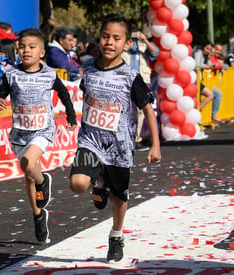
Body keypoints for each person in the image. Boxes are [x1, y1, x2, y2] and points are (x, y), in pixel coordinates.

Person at [69, 14, 161, 263]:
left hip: (119, 148)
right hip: (90, 140)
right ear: (99, 39)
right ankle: (98, 182)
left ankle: (116, 235)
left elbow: (147, 110)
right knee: (77, 183)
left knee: (118, 197)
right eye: (105, 36)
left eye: (116, 38)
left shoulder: (130, 76)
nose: (110, 42)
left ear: (126, 44)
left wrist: (155, 144)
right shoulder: (88, 68)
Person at [0, 28, 77, 242]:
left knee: (29, 164)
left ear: (41, 53)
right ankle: (38, 215)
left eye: (32, 47)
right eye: (22, 47)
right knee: (28, 176)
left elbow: (64, 93)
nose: (26, 50)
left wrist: (71, 116)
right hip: (20, 133)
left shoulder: (49, 73)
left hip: (42, 130)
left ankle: (43, 181)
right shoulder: (11, 74)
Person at [124, 18, 159, 152]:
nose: (133, 31)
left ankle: (136, 139)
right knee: (125, 109)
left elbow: (155, 53)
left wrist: (144, 40)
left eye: (134, 29)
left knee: (141, 110)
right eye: (130, 29)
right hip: (125, 78)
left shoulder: (142, 44)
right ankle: (125, 139)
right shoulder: (123, 42)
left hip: (141, 79)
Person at [193, 42, 214, 112]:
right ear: (203, 47)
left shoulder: (206, 56)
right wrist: (205, 66)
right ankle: (196, 111)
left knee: (210, 95)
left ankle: (197, 111)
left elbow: (209, 64)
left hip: (198, 80)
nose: (208, 51)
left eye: (209, 50)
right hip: (193, 78)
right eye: (207, 48)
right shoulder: (199, 52)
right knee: (209, 95)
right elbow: (196, 65)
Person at [208, 43, 224, 123]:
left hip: (211, 82)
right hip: (206, 81)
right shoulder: (211, 56)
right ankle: (213, 115)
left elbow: (222, 66)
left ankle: (213, 114)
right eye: (217, 50)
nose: (219, 52)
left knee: (217, 94)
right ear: (213, 49)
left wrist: (222, 66)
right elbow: (212, 65)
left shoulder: (216, 58)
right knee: (218, 94)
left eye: (220, 51)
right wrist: (220, 66)